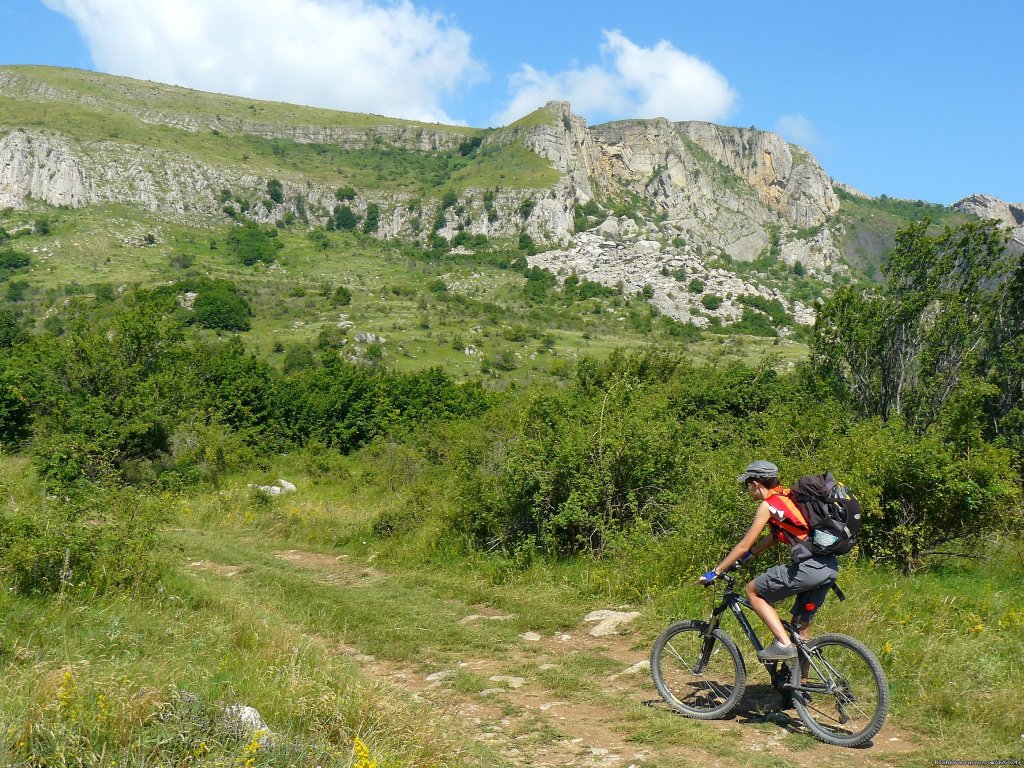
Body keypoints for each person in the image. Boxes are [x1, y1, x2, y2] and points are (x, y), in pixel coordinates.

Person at [698, 460, 839, 661]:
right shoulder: (788, 497)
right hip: (829, 567)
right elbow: (774, 536)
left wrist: (716, 571)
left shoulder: (768, 505)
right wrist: (748, 558)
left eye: (747, 484)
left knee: (752, 591)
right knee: (801, 632)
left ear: (756, 484)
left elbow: (743, 544)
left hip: (809, 568)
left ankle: (782, 643)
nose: (747, 490)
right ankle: (801, 687)